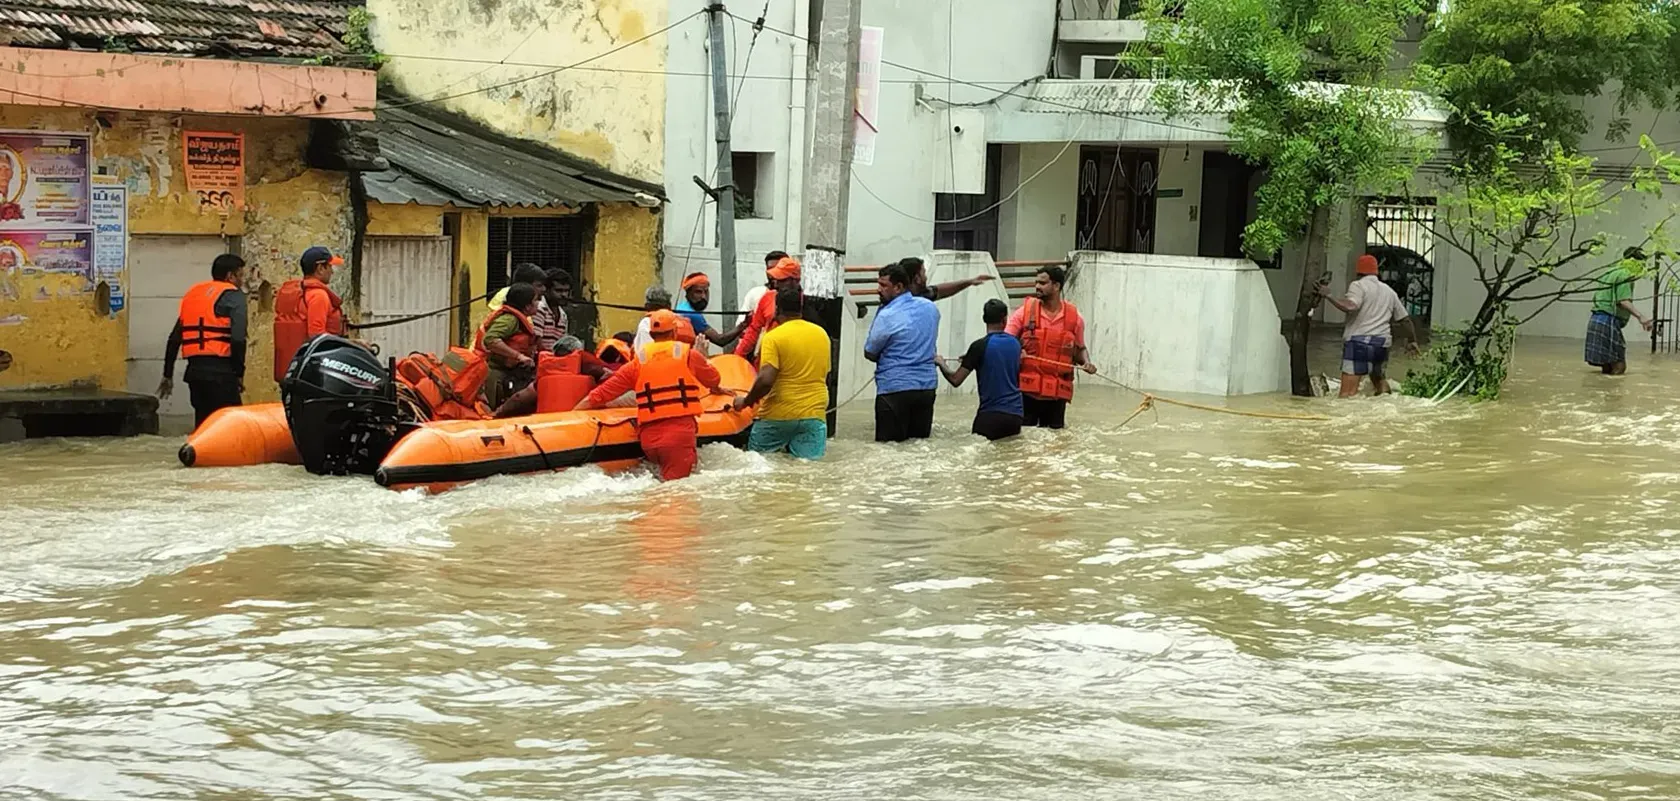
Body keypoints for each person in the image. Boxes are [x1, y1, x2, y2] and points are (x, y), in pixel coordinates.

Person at [576, 310, 729, 481]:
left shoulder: (637, 363)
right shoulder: (688, 355)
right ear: (675, 332)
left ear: (651, 334)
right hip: (678, 436)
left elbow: (599, 395)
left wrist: (573, 413)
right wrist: (704, 360)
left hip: (649, 440)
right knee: (677, 492)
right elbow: (714, 378)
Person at [736, 287, 833, 459]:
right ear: (801, 308)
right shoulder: (822, 334)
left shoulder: (773, 337)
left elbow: (765, 381)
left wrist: (745, 401)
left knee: (757, 464)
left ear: (777, 309)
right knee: (809, 469)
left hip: (777, 416)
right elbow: (827, 375)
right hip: (814, 416)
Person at [159, 254, 248, 426]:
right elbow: (238, 339)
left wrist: (167, 375)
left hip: (195, 373)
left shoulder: (193, 295)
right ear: (230, 276)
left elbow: (174, 338)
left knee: (203, 425)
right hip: (222, 373)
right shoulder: (234, 296)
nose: (242, 280)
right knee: (231, 426)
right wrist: (239, 373)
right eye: (241, 275)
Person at [1006, 265, 1095, 428]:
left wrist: (1087, 363)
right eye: (1036, 282)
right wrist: (1018, 349)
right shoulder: (1023, 313)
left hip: (1057, 396)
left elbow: (1080, 349)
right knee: (1024, 438)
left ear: (1056, 286)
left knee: (1055, 439)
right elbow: (1006, 340)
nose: (1037, 286)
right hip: (1027, 393)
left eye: (1042, 283)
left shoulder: (1075, 319)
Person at [1318, 254, 1420, 396]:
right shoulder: (1389, 291)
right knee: (1379, 381)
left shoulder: (1358, 285)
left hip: (1359, 343)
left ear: (1358, 272)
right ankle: (1388, 405)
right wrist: (1412, 341)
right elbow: (1405, 320)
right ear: (1376, 272)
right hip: (1382, 344)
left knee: (1347, 394)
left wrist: (1329, 296)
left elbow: (1351, 306)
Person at [866, 259, 941, 442]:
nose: (878, 289)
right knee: (919, 446)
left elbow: (870, 352)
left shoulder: (886, 315)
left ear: (899, 287)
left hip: (894, 389)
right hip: (926, 389)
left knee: (888, 450)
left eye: (884, 285)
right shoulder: (930, 308)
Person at [936, 299, 1024, 441]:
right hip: (1015, 416)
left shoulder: (979, 347)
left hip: (990, 416)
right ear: (1005, 320)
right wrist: (973, 359)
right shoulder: (1016, 344)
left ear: (984, 319)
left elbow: (955, 380)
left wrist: (941, 364)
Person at [272, 246, 346, 382]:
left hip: (294, 369)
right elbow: (317, 335)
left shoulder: (300, 293)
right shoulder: (318, 296)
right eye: (329, 266)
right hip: (314, 371)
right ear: (320, 268)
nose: (332, 271)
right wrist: (350, 344)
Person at [492, 336, 614, 417]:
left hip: (547, 426)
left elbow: (519, 398)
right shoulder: (592, 368)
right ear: (579, 351)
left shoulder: (546, 371)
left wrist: (498, 413)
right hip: (581, 424)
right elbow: (613, 383)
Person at [1585, 248, 1654, 375]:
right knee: (1619, 365)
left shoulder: (1610, 272)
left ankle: (1603, 388)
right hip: (1608, 320)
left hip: (1596, 319)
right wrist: (1641, 317)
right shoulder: (1625, 275)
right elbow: (1623, 301)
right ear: (1637, 262)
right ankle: (1614, 388)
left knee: (1607, 367)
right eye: (1643, 264)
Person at [473, 282, 540, 408]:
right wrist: (519, 356)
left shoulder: (520, 320)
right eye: (536, 300)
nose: (539, 304)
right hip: (495, 375)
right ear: (527, 306)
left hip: (508, 374)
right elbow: (490, 339)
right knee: (493, 412)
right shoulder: (510, 320)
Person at [735, 257, 802, 359]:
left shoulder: (806, 302)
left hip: (794, 356)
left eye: (781, 280)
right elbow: (753, 330)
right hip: (768, 354)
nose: (776, 283)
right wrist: (738, 357)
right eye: (775, 279)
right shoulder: (768, 297)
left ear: (795, 281)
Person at [676, 272, 747, 353]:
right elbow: (720, 340)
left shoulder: (682, 306)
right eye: (698, 292)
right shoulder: (692, 315)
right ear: (688, 294)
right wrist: (742, 326)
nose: (703, 297)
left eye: (706, 291)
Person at [903, 255, 995, 301]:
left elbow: (941, 290)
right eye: (923, 273)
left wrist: (970, 281)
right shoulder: (902, 301)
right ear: (917, 279)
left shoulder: (922, 295)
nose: (926, 277)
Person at [633, 285, 696, 350]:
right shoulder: (684, 321)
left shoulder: (646, 323)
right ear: (669, 306)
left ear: (647, 306)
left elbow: (644, 352)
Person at [740, 251, 788, 320]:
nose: (773, 273)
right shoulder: (756, 294)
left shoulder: (799, 298)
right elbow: (742, 322)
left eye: (778, 269)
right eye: (770, 269)